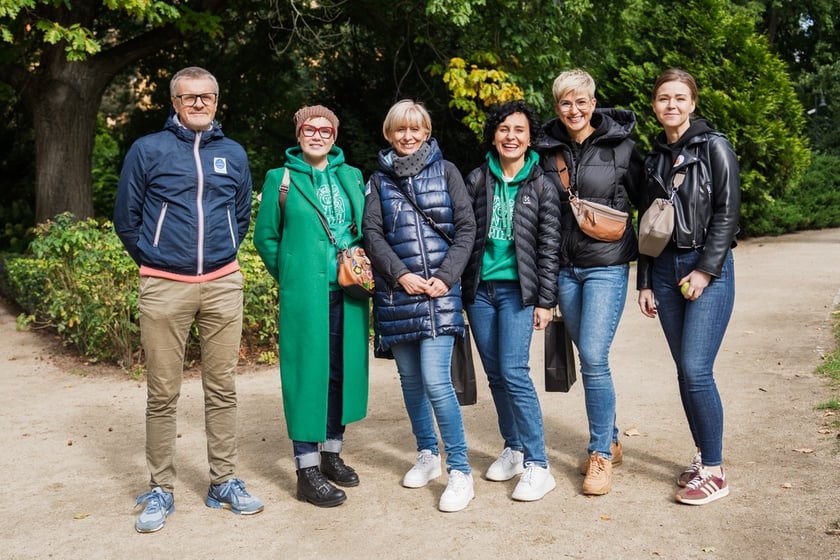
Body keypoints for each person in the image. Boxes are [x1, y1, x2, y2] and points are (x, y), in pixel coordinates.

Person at [114, 66, 263, 533]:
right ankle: (161, 487)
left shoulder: (233, 153)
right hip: (164, 285)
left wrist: (222, 254)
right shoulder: (147, 149)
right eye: (189, 97)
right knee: (162, 393)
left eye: (207, 96)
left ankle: (224, 481)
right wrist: (156, 259)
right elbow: (126, 218)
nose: (199, 103)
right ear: (174, 103)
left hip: (223, 283)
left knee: (222, 389)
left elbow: (240, 214)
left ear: (217, 101)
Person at [362, 100, 476, 512]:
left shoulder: (447, 171)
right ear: (389, 134)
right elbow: (371, 234)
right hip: (398, 294)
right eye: (400, 129)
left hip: (438, 293)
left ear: (426, 132)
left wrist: (445, 277)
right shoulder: (378, 181)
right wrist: (400, 275)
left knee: (435, 380)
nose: (407, 136)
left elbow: (466, 229)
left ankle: (460, 470)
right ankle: (427, 454)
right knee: (410, 381)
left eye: (415, 129)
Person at [253, 105, 369, 508]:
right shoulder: (280, 178)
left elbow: (364, 229)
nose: (317, 135)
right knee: (306, 376)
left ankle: (332, 454)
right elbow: (266, 238)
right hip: (305, 295)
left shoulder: (352, 176)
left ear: (334, 136)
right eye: (309, 128)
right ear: (298, 134)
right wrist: (292, 276)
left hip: (348, 293)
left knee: (341, 373)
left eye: (325, 130)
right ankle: (306, 470)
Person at [535, 68, 643, 496]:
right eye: (565, 102)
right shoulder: (545, 150)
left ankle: (599, 453)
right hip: (565, 268)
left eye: (581, 101)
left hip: (606, 265)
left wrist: (651, 273)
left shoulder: (622, 147)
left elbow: (650, 204)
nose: (574, 109)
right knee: (589, 358)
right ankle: (611, 439)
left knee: (595, 357)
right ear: (557, 106)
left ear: (594, 103)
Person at [637, 68, 740, 505]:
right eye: (664, 98)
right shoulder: (655, 158)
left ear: (692, 103)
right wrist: (644, 281)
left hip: (705, 268)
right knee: (684, 370)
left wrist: (704, 270)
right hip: (663, 271)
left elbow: (727, 213)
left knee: (697, 369)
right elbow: (648, 223)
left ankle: (715, 471)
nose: (672, 105)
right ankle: (702, 457)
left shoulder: (715, 147)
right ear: (655, 105)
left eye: (680, 97)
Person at [462, 100, 561, 502]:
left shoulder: (542, 184)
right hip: (480, 292)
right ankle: (514, 448)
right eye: (504, 129)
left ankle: (539, 464)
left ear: (530, 137)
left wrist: (545, 300)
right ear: (493, 136)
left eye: (519, 130)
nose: (511, 136)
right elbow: (464, 236)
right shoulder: (476, 179)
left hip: (519, 292)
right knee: (496, 375)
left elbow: (549, 247)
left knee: (515, 371)